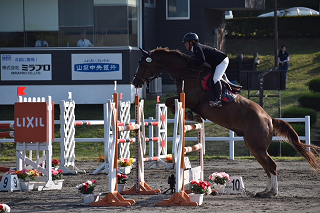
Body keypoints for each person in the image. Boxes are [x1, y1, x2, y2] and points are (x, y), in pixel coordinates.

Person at [181, 32, 229, 107]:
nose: (185, 45)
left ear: (191, 42)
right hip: (217, 62)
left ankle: (218, 100)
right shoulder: (195, 48)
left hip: (222, 61)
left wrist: (190, 65)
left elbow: (201, 60)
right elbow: (198, 59)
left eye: (186, 43)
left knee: (216, 78)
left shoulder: (196, 47)